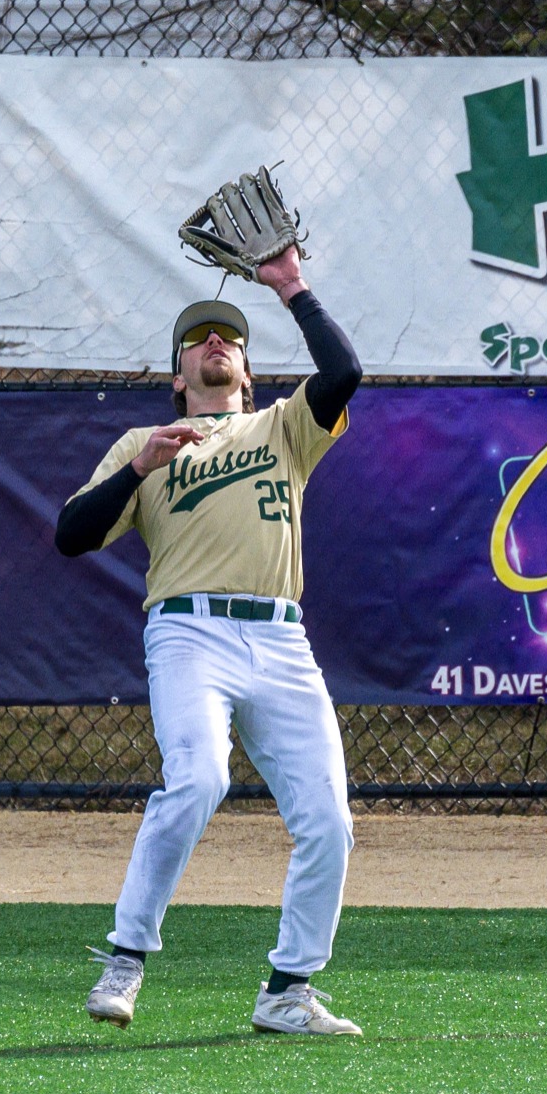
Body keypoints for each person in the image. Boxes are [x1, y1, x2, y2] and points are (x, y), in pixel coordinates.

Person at [54, 243, 364, 1036]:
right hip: (190, 633)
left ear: (249, 371)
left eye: (228, 336)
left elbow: (343, 374)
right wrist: (137, 471)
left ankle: (287, 989)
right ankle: (126, 959)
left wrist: (291, 286)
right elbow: (71, 536)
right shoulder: (142, 442)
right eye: (198, 339)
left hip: (283, 641)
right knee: (196, 781)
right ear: (178, 373)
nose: (215, 342)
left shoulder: (283, 428)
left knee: (330, 818)